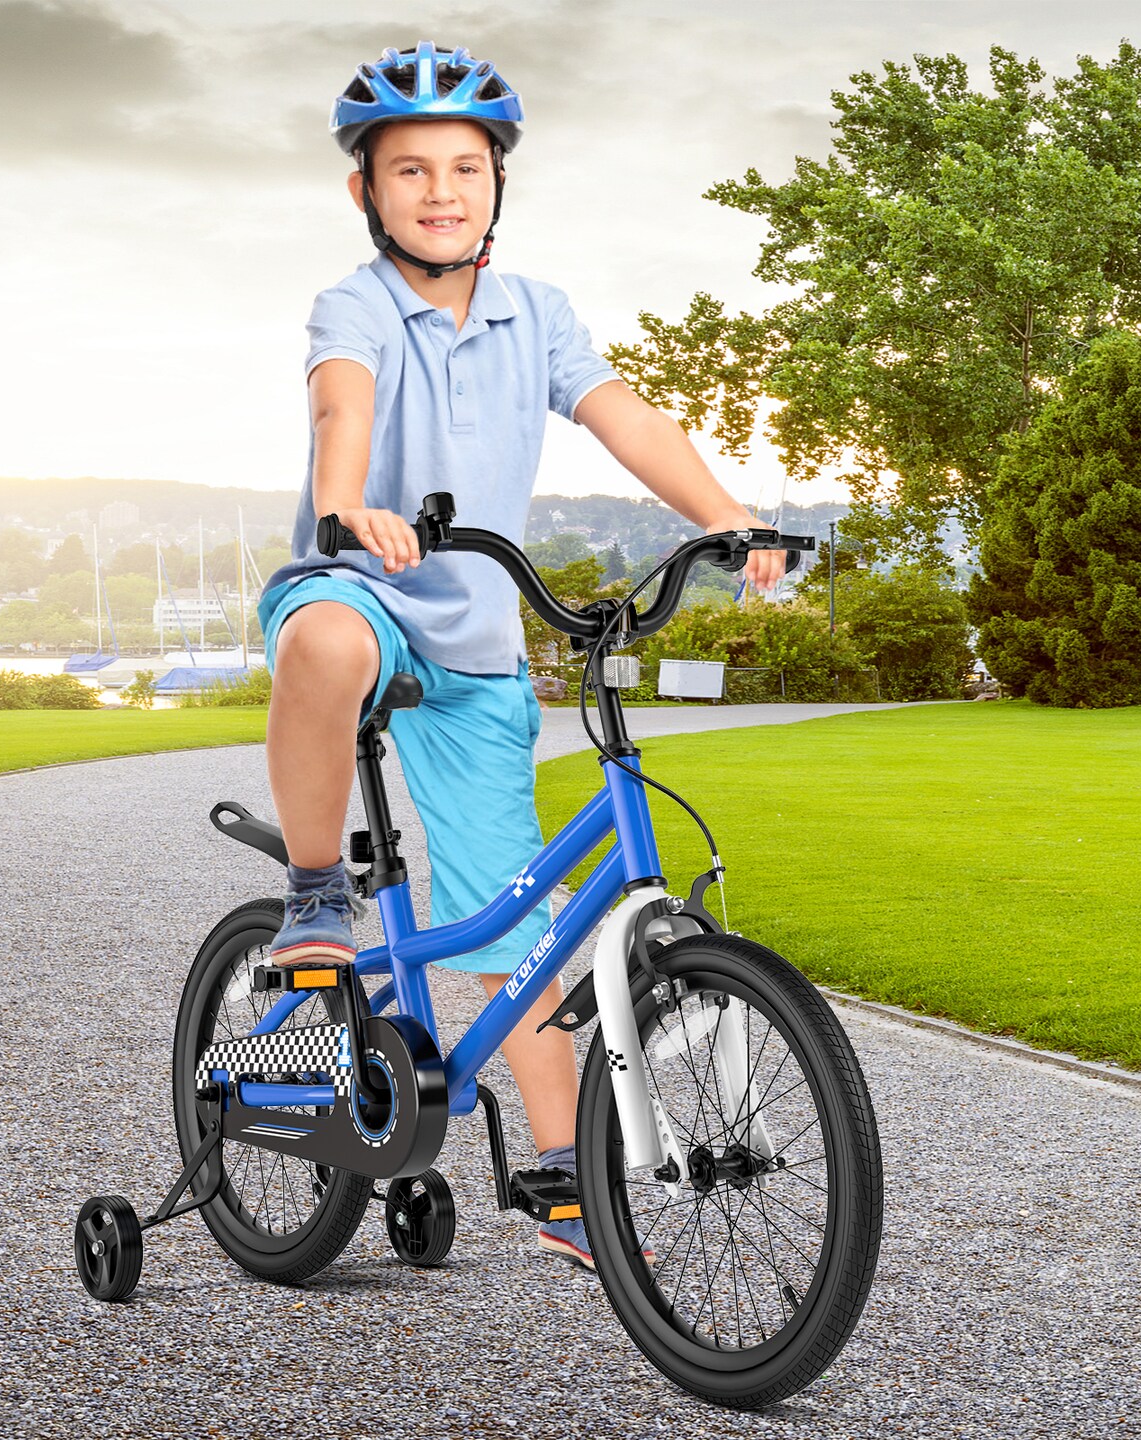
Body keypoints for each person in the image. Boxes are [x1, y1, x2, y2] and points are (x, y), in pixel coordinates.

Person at [257, 41, 784, 1268]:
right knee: (326, 636)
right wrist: (346, 510)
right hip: (361, 584)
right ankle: (317, 889)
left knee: (519, 920)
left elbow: (623, 413)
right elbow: (341, 403)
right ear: (366, 191)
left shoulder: (534, 313)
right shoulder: (355, 305)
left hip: (478, 638)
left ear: (498, 183)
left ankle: (558, 1170)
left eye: (465, 167)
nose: (441, 190)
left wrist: (727, 516)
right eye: (410, 170)